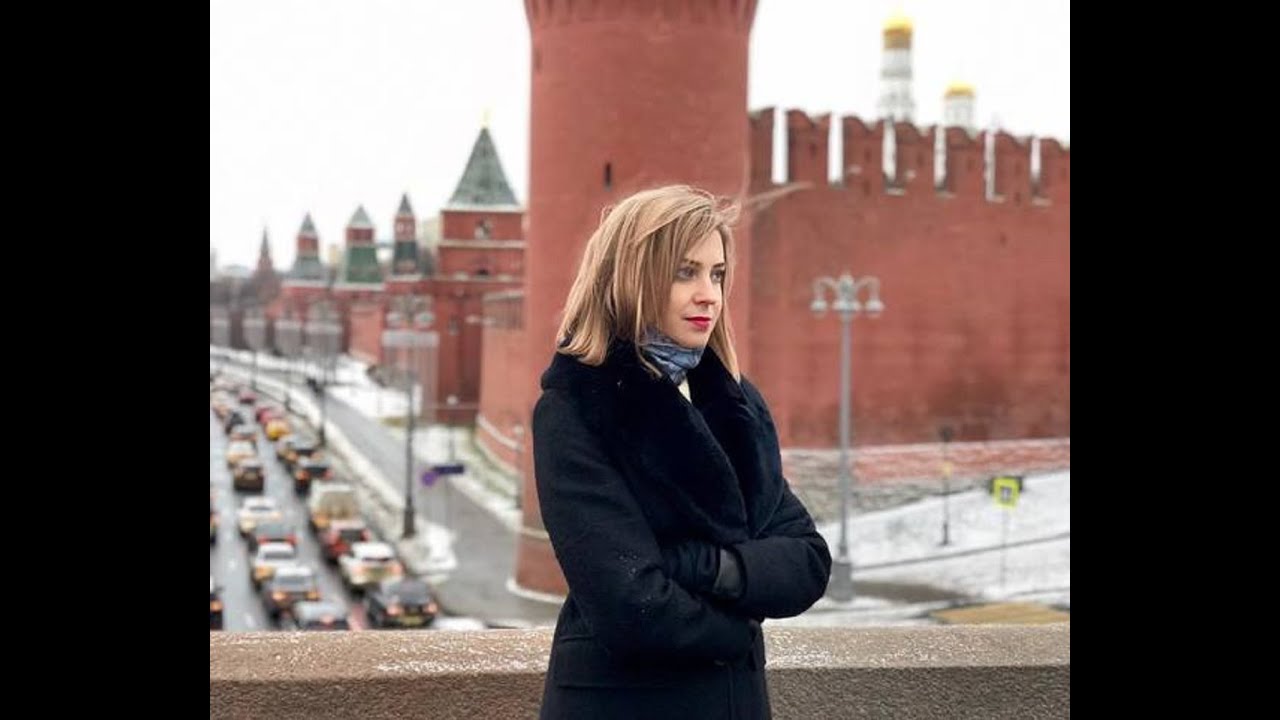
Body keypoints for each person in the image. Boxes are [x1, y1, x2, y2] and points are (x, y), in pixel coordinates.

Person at [532, 185, 833, 719]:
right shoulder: (577, 406)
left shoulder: (735, 402)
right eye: (684, 273)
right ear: (631, 276)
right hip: (623, 705)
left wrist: (705, 567)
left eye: (717, 274)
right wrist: (743, 617)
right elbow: (630, 605)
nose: (709, 295)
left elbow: (807, 559)